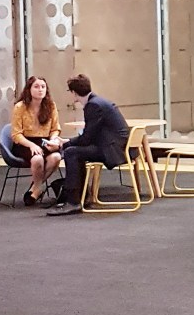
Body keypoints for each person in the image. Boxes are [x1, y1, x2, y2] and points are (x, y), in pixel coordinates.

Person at [46, 74, 130, 217]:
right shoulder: (99, 102)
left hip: (112, 150)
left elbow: (86, 138)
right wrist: (67, 143)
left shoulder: (93, 105)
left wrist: (64, 144)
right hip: (118, 147)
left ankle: (73, 201)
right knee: (75, 151)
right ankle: (81, 196)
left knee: (72, 152)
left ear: (73, 92)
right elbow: (90, 137)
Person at [10, 75, 63, 206]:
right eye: (36, 87)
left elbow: (55, 129)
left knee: (55, 157)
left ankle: (35, 189)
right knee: (37, 159)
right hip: (25, 142)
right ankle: (37, 189)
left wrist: (53, 140)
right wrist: (31, 145)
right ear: (29, 89)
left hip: (45, 141)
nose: (40, 90)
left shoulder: (51, 106)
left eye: (43, 87)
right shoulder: (20, 107)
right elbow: (16, 134)